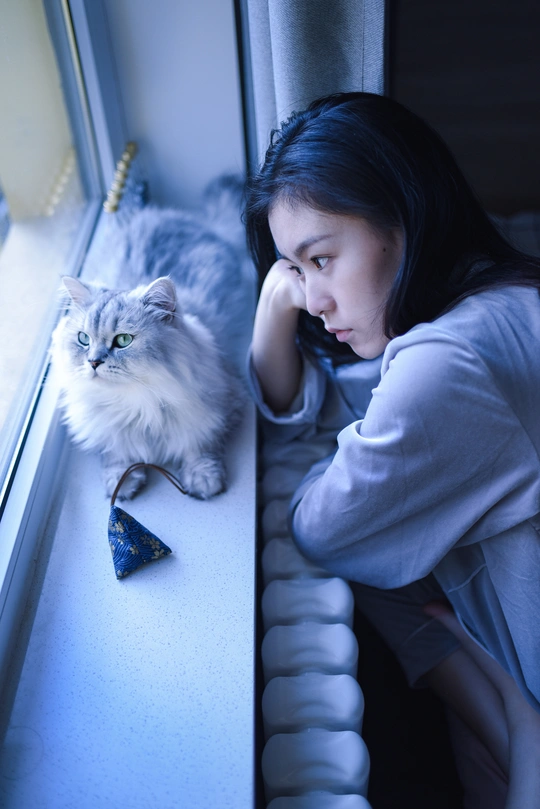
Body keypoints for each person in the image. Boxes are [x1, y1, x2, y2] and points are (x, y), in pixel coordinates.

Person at [245, 92, 540, 809]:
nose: (313, 299)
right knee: (395, 575)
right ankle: (509, 718)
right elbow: (335, 398)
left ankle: (516, 723)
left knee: (372, 561)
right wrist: (273, 312)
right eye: (295, 271)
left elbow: (320, 524)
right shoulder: (495, 295)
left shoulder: (449, 364)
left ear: (401, 217)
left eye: (321, 259)